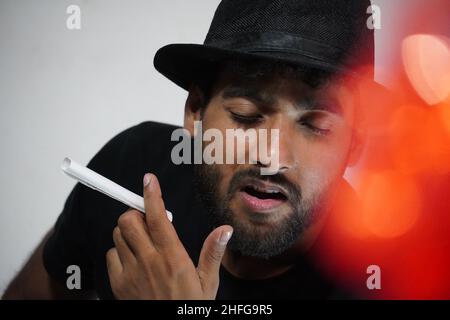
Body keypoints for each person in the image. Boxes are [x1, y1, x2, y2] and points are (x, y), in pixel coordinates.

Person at [3, 0, 378, 299]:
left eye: (315, 126)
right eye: (247, 116)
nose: (272, 157)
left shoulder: (386, 280)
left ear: (355, 142)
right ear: (196, 112)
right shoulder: (132, 165)